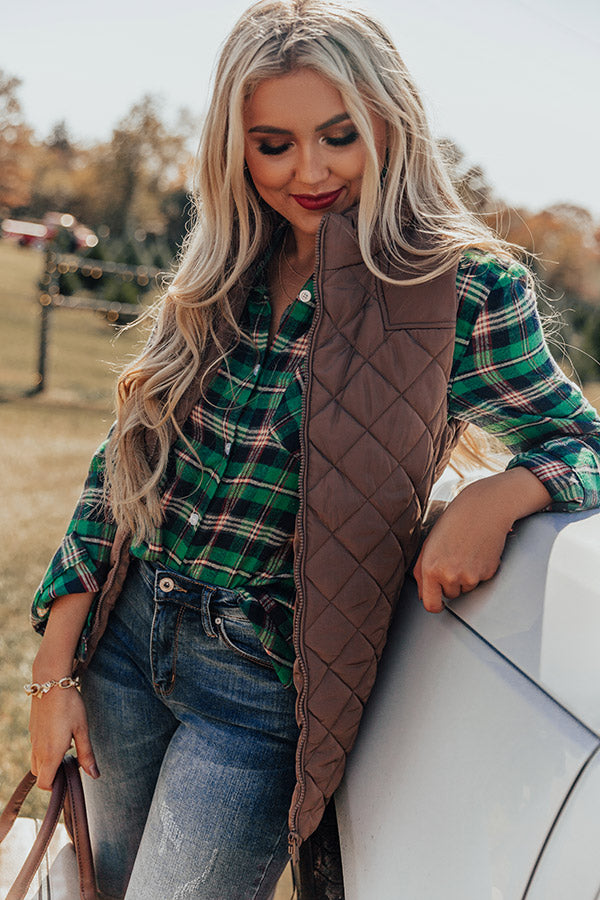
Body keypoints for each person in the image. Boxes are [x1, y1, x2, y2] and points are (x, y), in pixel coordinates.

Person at [26, 1, 600, 898]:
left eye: (339, 134)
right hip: (125, 645)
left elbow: (579, 441)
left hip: (259, 689)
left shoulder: (464, 289)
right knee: (93, 882)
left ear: (388, 120)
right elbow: (124, 464)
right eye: (274, 143)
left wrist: (507, 493)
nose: (311, 170)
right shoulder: (225, 263)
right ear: (237, 148)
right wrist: (52, 669)